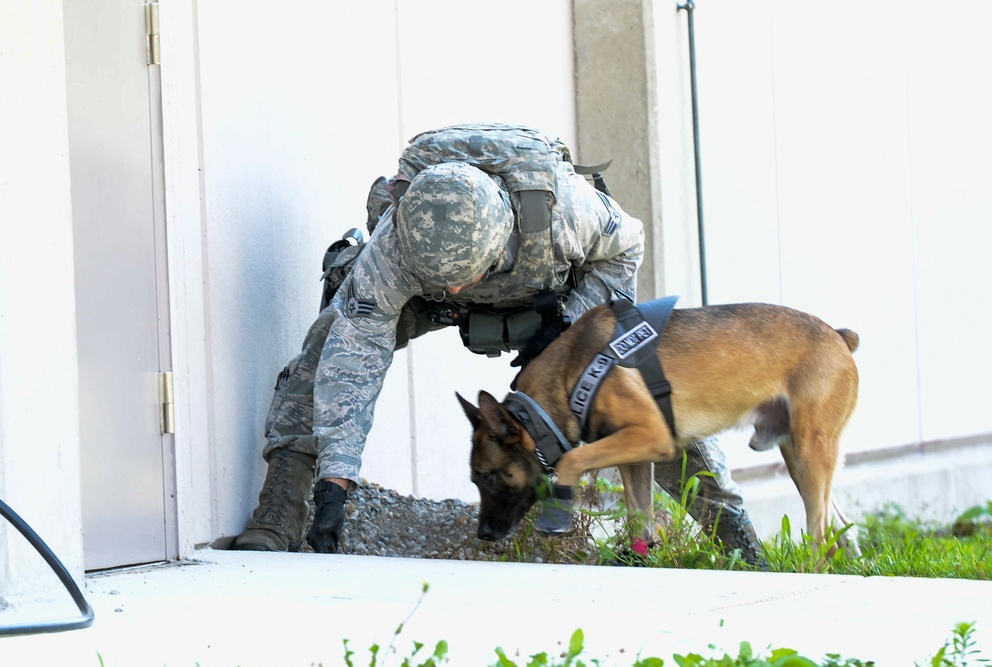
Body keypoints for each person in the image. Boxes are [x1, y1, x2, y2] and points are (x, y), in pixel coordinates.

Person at [232, 124, 765, 568]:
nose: (463, 289)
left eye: (470, 276)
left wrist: (569, 334)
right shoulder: (394, 250)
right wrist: (337, 478)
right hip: (425, 296)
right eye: (453, 281)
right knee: (322, 352)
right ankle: (283, 508)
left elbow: (628, 245)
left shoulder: (565, 214)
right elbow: (354, 360)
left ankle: (737, 536)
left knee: (647, 388)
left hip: (550, 297)